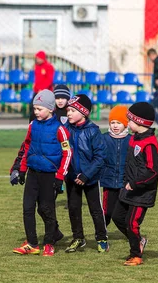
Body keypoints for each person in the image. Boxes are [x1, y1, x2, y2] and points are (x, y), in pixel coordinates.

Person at [11, 90, 71, 257]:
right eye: (35, 109)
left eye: (39, 109)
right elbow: (27, 147)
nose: (36, 112)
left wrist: (60, 177)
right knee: (27, 208)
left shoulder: (60, 129)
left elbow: (67, 154)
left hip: (50, 175)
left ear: (50, 109)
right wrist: (22, 170)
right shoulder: (32, 126)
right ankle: (32, 243)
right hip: (33, 173)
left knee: (46, 209)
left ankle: (50, 242)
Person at [111, 102, 158, 266]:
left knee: (131, 223)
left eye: (129, 120)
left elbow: (152, 171)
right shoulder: (134, 139)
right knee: (117, 217)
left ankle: (136, 255)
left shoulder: (150, 144)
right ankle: (139, 240)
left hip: (141, 192)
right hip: (128, 188)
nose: (127, 123)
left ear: (140, 122)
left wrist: (135, 183)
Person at [62, 94, 108, 254]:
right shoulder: (65, 129)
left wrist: (86, 175)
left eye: (72, 110)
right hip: (71, 177)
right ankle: (78, 238)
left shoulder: (93, 131)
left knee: (95, 209)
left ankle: (102, 238)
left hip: (90, 178)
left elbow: (100, 157)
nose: (68, 113)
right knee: (74, 208)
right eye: (67, 110)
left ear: (84, 112)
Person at [100, 105, 130, 227]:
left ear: (126, 123)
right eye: (112, 122)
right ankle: (102, 238)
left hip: (125, 183)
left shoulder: (131, 140)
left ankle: (135, 238)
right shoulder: (104, 138)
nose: (115, 125)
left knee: (122, 214)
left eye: (119, 122)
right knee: (106, 213)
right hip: (108, 182)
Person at [29, 50, 54, 121]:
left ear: (42, 58)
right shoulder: (37, 66)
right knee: (32, 107)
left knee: (44, 108)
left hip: (45, 92)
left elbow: (49, 80)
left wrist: (42, 88)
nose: (36, 60)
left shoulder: (49, 67)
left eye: (38, 58)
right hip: (37, 91)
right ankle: (33, 123)